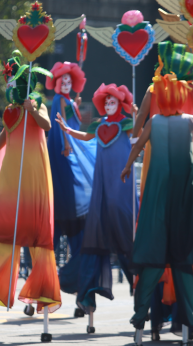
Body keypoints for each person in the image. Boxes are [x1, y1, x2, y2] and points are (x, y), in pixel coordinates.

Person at [121, 58, 193, 345]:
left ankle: (141, 321)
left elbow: (138, 143)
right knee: (181, 263)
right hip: (180, 199)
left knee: (155, 262)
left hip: (158, 199)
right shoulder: (186, 121)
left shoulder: (155, 122)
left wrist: (126, 166)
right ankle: (190, 321)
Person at [0, 52, 61, 342]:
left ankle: (40, 296)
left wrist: (33, 108)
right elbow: (7, 132)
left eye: (14, 80)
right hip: (11, 181)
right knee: (1, 234)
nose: (11, 85)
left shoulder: (35, 104)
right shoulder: (10, 110)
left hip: (35, 181)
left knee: (38, 240)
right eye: (9, 79)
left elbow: (46, 125)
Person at [54, 82, 136, 333]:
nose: (110, 104)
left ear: (120, 103)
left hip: (121, 190)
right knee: (95, 242)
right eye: (107, 102)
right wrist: (67, 129)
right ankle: (87, 302)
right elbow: (86, 136)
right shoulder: (99, 125)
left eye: (114, 102)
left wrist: (136, 112)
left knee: (128, 239)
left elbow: (142, 129)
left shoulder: (125, 123)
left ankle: (144, 291)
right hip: (102, 192)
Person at [44, 62, 95, 318]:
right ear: (55, 82)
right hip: (66, 166)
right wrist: (66, 146)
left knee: (79, 239)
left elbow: (74, 128)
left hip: (71, 167)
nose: (64, 83)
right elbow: (61, 128)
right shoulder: (59, 102)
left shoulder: (69, 102)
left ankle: (78, 293)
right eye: (61, 80)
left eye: (68, 80)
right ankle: (63, 285)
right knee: (72, 236)